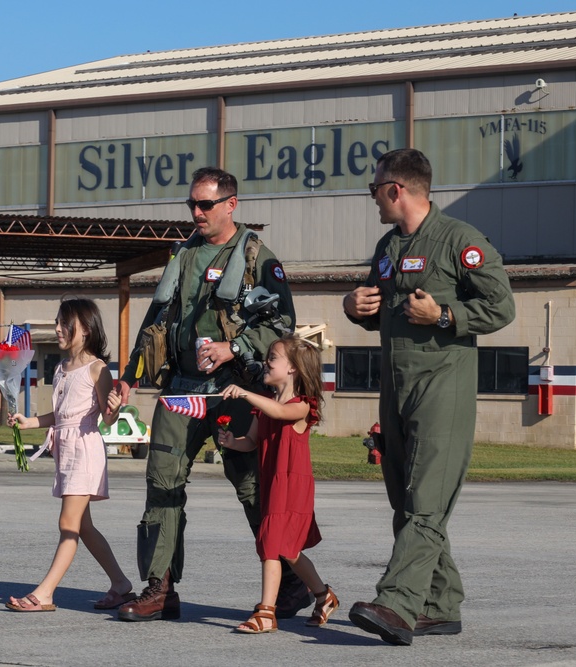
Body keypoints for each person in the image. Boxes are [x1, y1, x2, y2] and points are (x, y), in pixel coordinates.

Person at [112, 166, 310, 622]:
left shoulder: (259, 257)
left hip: (235, 393)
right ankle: (160, 588)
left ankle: (293, 585)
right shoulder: (182, 255)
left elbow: (284, 327)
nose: (197, 213)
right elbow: (153, 321)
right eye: (192, 205)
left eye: (205, 204)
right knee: (161, 485)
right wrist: (130, 376)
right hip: (180, 391)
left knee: (252, 491)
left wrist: (234, 347)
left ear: (230, 204)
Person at [342, 148, 515, 645]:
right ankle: (439, 606)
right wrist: (356, 307)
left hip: (443, 387)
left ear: (396, 189)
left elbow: (500, 306)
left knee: (425, 505)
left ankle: (396, 604)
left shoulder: (460, 240)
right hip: (396, 388)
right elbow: (382, 309)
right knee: (407, 503)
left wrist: (444, 316)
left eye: (374, 189)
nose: (372, 198)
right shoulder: (387, 246)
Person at [5, 298, 136, 613]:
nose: (58, 329)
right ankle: (121, 585)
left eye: (65, 324)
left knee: (68, 523)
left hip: (85, 451)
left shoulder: (97, 369)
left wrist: (115, 410)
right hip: (65, 451)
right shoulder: (61, 368)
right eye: (57, 322)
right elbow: (61, 415)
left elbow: (106, 419)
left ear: (86, 329)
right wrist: (30, 422)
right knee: (84, 526)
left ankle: (45, 593)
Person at [218, 336, 338, 634]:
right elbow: (252, 442)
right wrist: (234, 442)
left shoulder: (301, 407)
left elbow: (282, 413)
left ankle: (265, 612)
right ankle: (324, 596)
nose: (266, 362)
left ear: (293, 369)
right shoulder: (265, 407)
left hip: (293, 486)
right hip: (272, 484)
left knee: (272, 544)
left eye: (273, 357)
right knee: (289, 551)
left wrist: (245, 394)